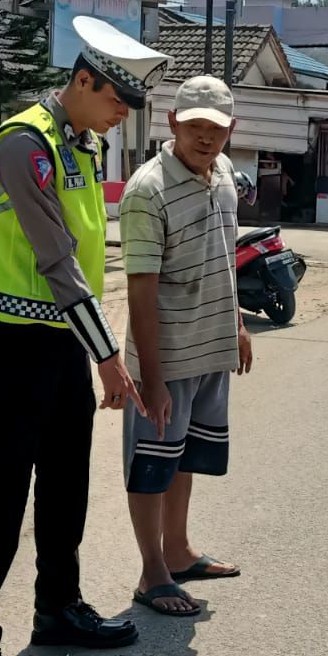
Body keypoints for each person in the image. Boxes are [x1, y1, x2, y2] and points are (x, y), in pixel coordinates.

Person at [0, 16, 168, 656]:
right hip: (13, 344)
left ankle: (58, 606)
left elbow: (90, 249)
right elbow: (55, 260)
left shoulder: (81, 144)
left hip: (64, 344)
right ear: (82, 80)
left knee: (67, 482)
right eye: (113, 102)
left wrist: (92, 347)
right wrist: (110, 355)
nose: (118, 118)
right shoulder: (23, 143)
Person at [117, 75, 252, 616]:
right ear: (171, 122)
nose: (205, 137)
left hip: (212, 346)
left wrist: (237, 324)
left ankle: (178, 551)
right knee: (151, 463)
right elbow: (140, 289)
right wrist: (150, 378)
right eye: (194, 125)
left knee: (184, 457)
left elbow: (226, 257)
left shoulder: (222, 175)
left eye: (215, 128)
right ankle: (152, 573)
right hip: (166, 356)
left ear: (230, 130)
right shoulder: (146, 191)